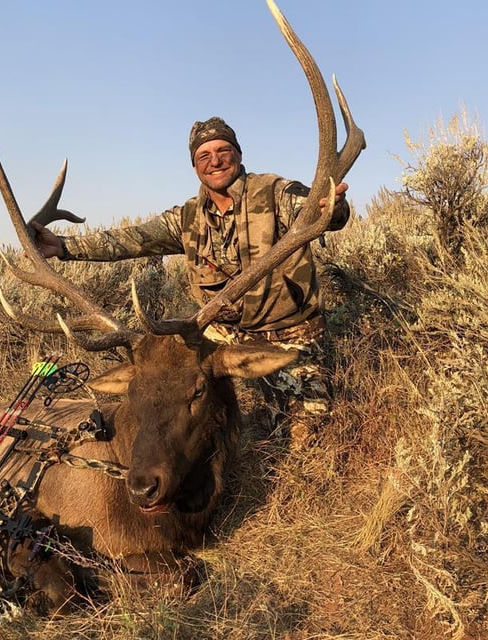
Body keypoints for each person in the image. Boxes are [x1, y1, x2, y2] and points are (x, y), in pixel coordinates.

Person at [31, 117, 350, 444]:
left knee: (306, 440)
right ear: (195, 166)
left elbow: (320, 211)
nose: (215, 161)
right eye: (204, 156)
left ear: (238, 154)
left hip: (289, 332)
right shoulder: (187, 217)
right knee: (168, 386)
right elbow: (132, 239)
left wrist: (332, 209)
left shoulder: (276, 193)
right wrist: (64, 246)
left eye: (223, 150)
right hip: (222, 332)